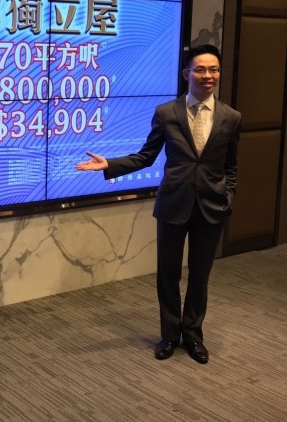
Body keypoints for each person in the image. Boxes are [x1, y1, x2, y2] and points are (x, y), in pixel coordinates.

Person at [75, 44, 241, 364]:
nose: (208, 75)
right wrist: (109, 165)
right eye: (201, 69)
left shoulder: (231, 117)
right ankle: (170, 335)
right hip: (173, 204)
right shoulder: (167, 113)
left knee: (200, 276)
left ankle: (193, 336)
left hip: (212, 208)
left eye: (214, 69)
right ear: (187, 74)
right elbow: (146, 156)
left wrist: (228, 197)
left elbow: (230, 166)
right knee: (168, 274)